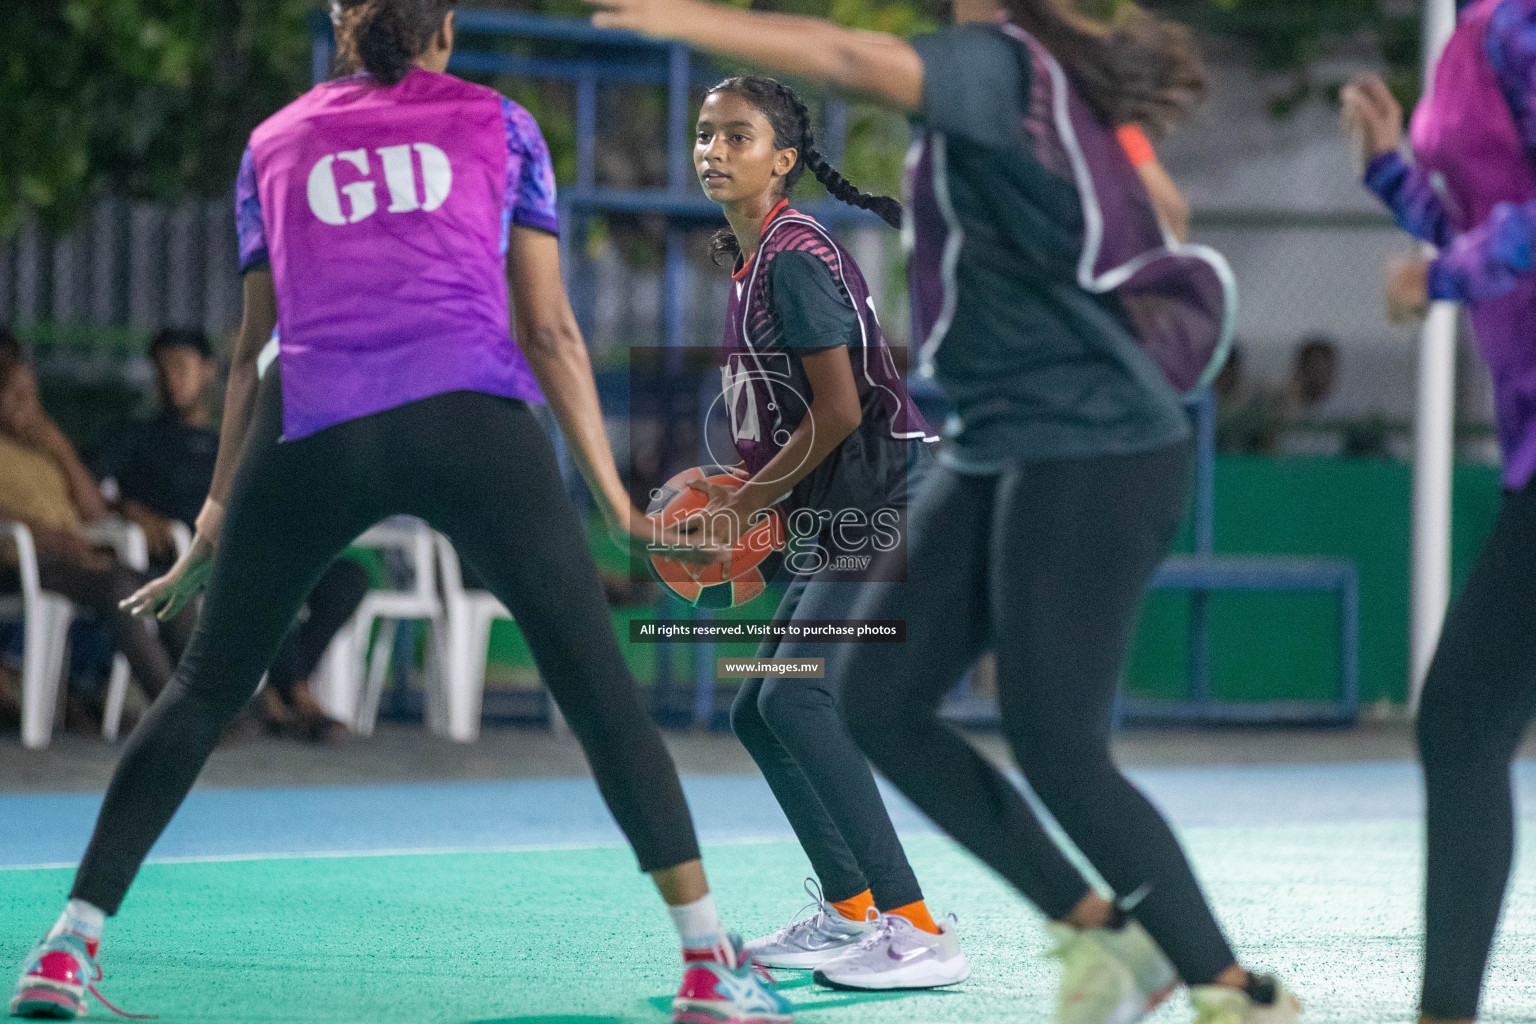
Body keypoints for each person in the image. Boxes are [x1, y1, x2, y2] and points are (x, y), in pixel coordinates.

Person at [8, 4, 789, 1024]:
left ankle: (67, 946)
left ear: (340, 23)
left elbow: (248, 350)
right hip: (469, 411)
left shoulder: (272, 140)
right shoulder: (502, 124)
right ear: (446, 29)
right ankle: (705, 964)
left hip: (311, 417)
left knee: (203, 686)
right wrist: (610, 495)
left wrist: (212, 517)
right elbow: (548, 327)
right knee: (597, 688)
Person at [584, 0, 1299, 1022]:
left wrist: (676, 16)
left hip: (1089, 440)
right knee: (869, 699)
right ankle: (1093, 937)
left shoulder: (998, 63)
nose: (713, 151)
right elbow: (1165, 209)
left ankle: (1229, 990)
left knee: (1050, 743)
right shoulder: (1031, 90)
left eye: (734, 135)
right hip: (995, 436)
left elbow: (844, 55)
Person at [679, 75, 962, 990]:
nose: (713, 150)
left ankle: (917, 929)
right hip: (843, 506)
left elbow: (840, 410)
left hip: (882, 497)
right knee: (761, 709)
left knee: (798, 701)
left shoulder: (794, 256)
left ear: (784, 159)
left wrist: (741, 506)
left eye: (737, 136)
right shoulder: (757, 258)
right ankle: (849, 911)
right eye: (704, 135)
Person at [1343, 0, 1536, 1018]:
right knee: (1466, 727)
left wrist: (1442, 274)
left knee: (1461, 723)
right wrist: (1389, 174)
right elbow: (1481, 216)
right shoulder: (1473, 25)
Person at [95, 327, 368, 743]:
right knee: (259, 577)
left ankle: (281, 690)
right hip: (184, 556)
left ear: (207, 373)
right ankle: (294, 694)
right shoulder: (137, 437)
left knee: (347, 576)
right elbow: (85, 489)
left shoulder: (235, 441)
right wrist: (127, 509)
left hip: (247, 550)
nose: (171, 380)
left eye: (182, 368)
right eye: (162, 370)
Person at [0, 348, 194, 715]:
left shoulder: (41, 450)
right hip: (19, 562)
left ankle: (203, 706)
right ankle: (174, 715)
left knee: (171, 589)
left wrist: (60, 448)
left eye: (32, 392)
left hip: (72, 558)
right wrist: (64, 543)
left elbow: (93, 511)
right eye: (14, 392)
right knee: (120, 590)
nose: (27, 403)